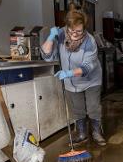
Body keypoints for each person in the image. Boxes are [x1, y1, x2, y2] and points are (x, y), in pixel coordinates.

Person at [41, 9, 106, 146]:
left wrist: (68, 73)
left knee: (93, 106)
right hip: (72, 82)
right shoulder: (60, 34)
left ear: (84, 28)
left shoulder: (90, 41)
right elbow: (47, 56)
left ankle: (96, 132)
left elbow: (87, 67)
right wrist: (51, 37)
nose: (75, 34)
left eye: (79, 31)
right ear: (67, 27)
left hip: (91, 79)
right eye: (72, 31)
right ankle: (82, 134)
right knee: (77, 107)